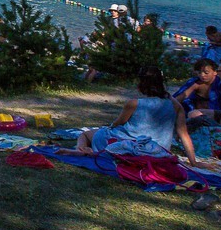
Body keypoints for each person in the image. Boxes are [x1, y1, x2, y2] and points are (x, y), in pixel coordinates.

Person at [66, 66, 198, 164]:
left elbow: (118, 123)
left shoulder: (134, 104)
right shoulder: (175, 106)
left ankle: (80, 149)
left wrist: (109, 127)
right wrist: (193, 162)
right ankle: (83, 150)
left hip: (131, 145)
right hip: (159, 151)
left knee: (88, 134)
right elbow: (184, 135)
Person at [172, 58, 221, 122]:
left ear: (215, 72)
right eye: (199, 73)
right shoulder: (194, 82)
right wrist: (192, 87)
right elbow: (176, 101)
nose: (202, 75)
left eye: (206, 73)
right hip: (194, 115)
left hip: (218, 115)